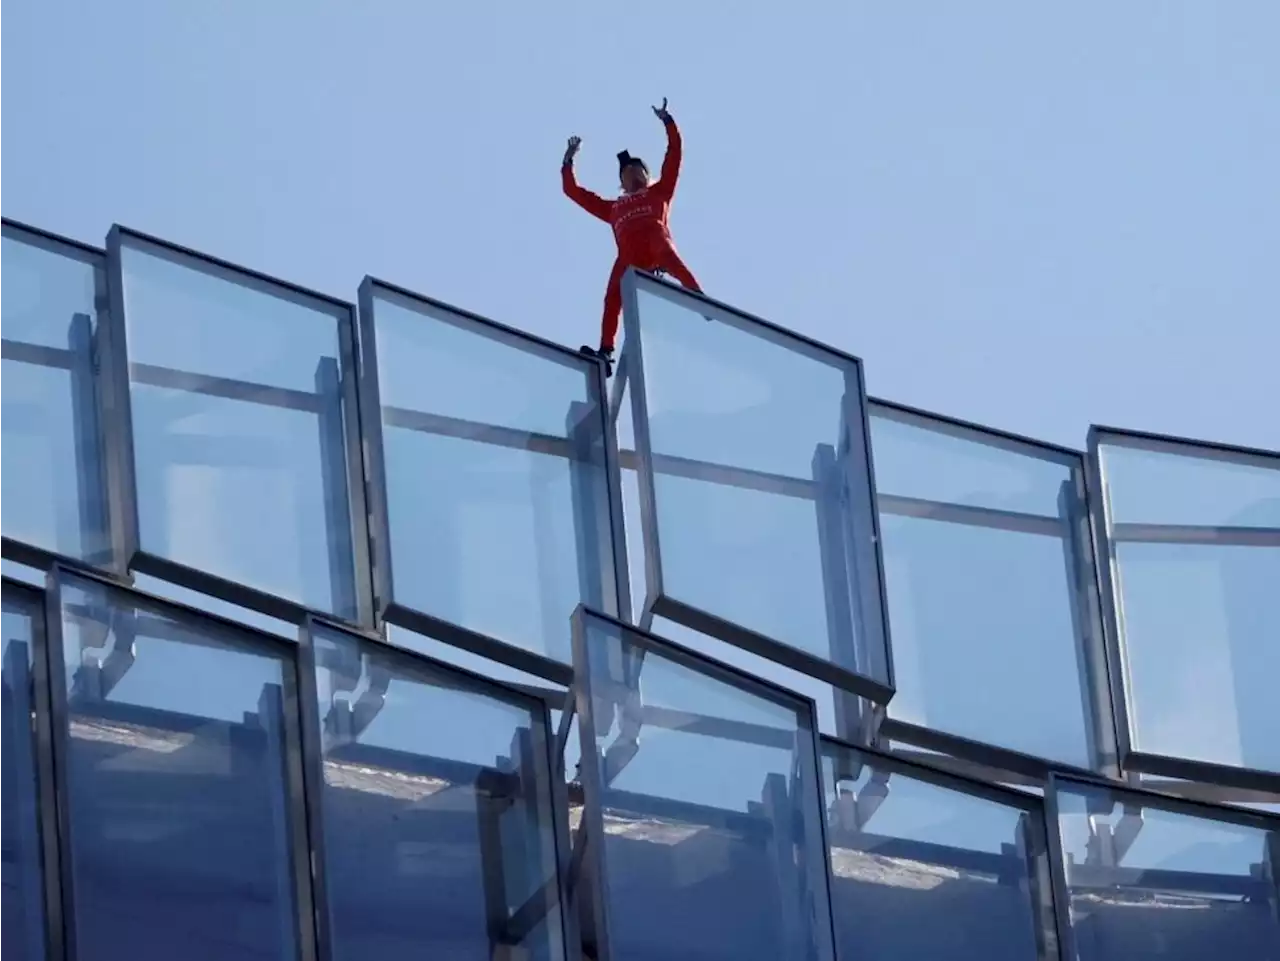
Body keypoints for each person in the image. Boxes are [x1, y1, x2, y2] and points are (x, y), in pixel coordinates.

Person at [562, 97, 703, 371]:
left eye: (637, 169)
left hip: (657, 245)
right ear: (621, 182)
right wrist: (568, 161)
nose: (632, 173)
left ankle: (705, 308)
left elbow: (674, 153)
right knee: (612, 296)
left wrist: (668, 121)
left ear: (646, 175)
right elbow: (573, 192)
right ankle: (605, 351)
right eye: (627, 172)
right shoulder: (613, 207)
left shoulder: (659, 192)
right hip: (628, 258)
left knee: (674, 261)